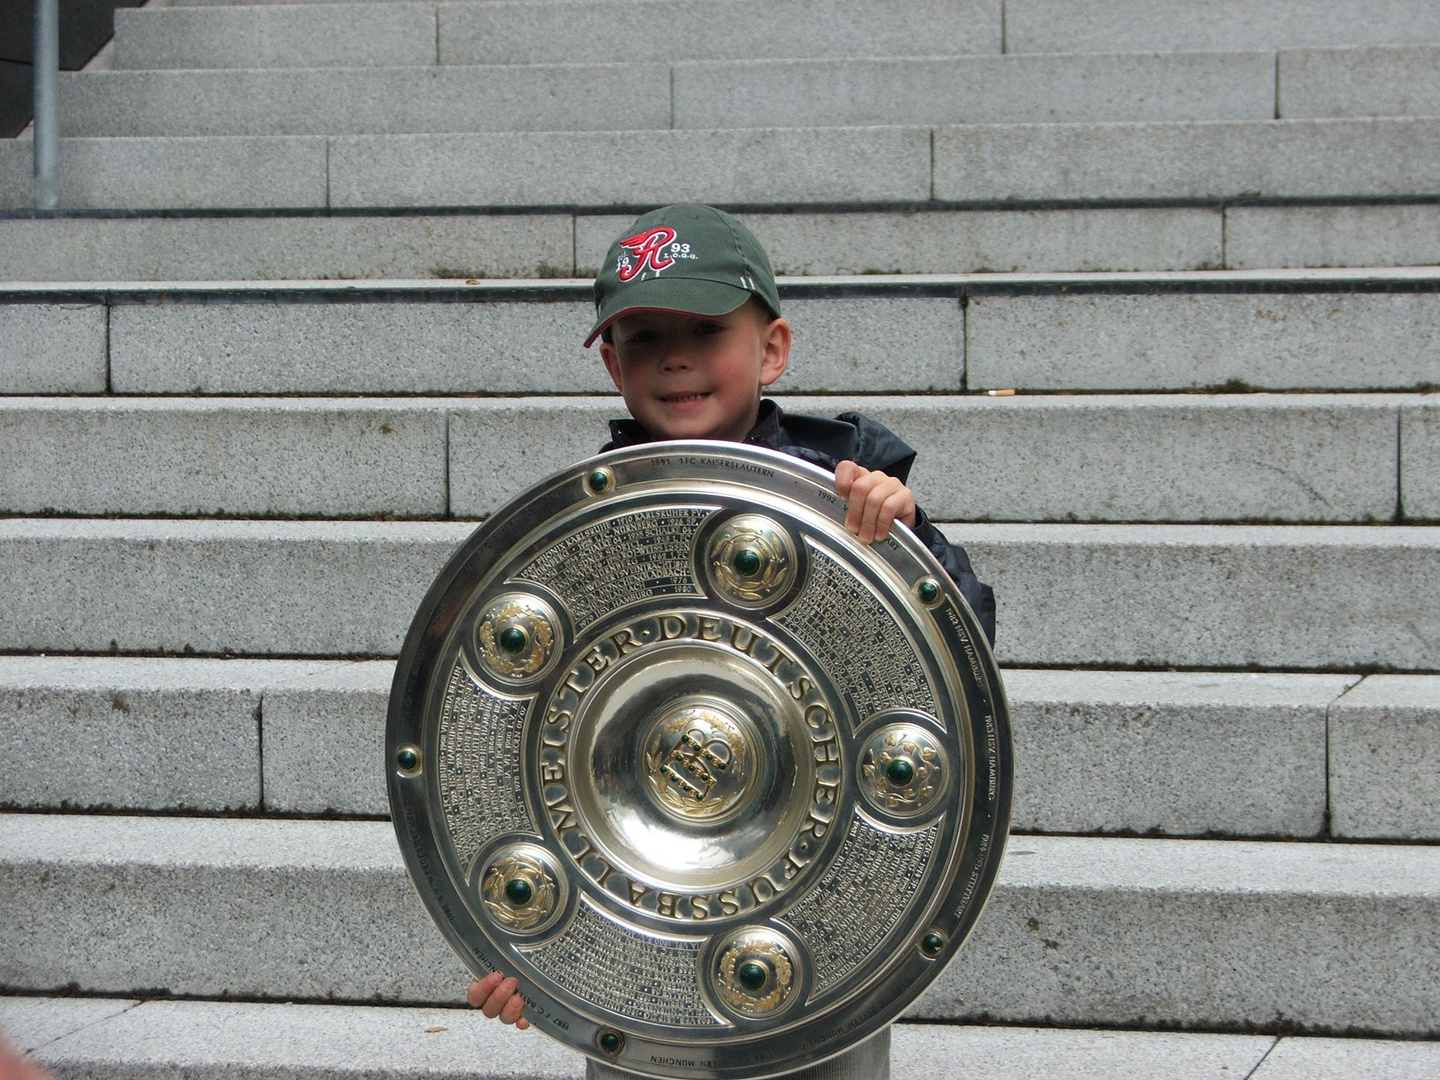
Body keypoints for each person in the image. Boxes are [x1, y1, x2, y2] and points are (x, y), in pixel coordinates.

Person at [468, 204, 995, 1037]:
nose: (675, 356)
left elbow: (963, 643)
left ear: (772, 349)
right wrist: (532, 952)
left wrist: (906, 542)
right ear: (612, 364)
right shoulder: (589, 529)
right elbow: (508, 747)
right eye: (643, 337)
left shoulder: (847, 484)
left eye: (707, 328)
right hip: (653, 889)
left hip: (817, 887)